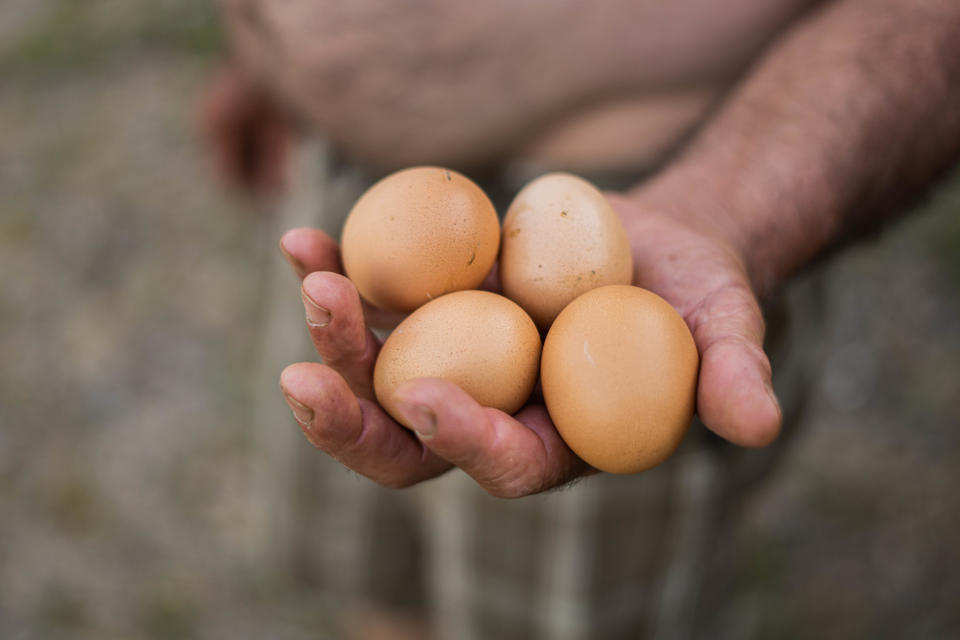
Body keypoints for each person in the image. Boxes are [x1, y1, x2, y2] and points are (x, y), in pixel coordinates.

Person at [202, 1, 960, 637]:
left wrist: (731, 209)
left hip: (669, 187)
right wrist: (271, 53)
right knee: (382, 582)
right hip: (363, 206)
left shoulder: (601, 298)